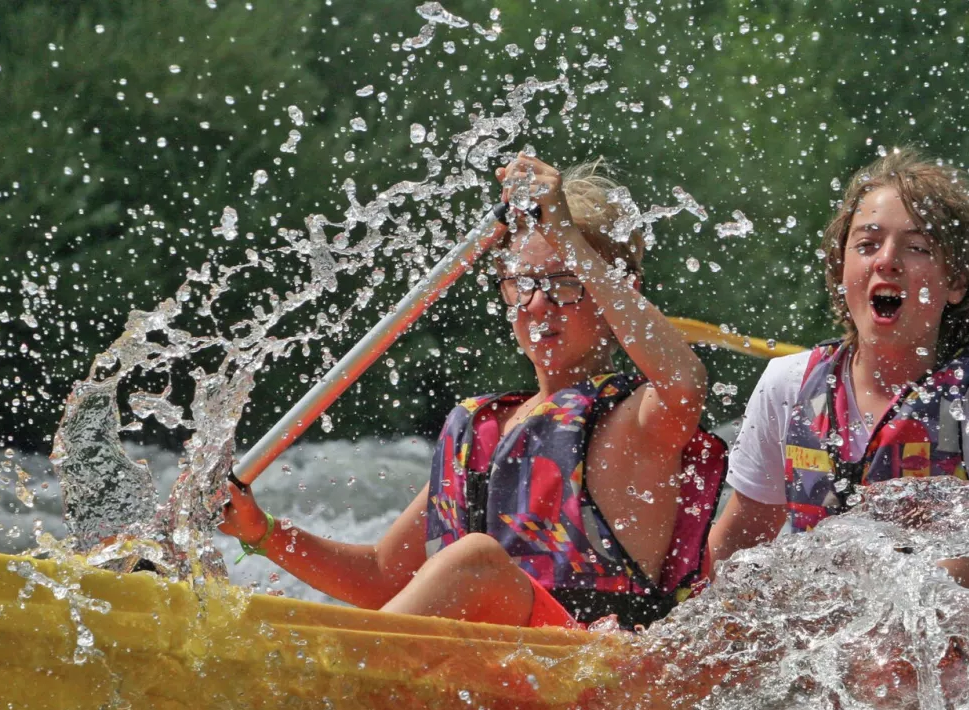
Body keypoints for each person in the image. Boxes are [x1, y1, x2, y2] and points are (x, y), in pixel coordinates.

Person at [218, 156, 722, 629]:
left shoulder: (638, 421)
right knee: (467, 564)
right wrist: (260, 532)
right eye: (520, 284)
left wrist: (567, 234)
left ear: (618, 290)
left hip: (595, 679)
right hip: (496, 678)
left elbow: (684, 381)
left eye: (565, 283)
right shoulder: (483, 427)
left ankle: (321, 689)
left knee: (475, 561)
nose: (537, 305)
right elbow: (382, 578)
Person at [708, 148, 969, 639]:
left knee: (956, 575)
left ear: (955, 283)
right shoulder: (787, 385)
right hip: (834, 656)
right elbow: (733, 552)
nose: (887, 261)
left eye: (917, 248)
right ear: (842, 270)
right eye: (867, 245)